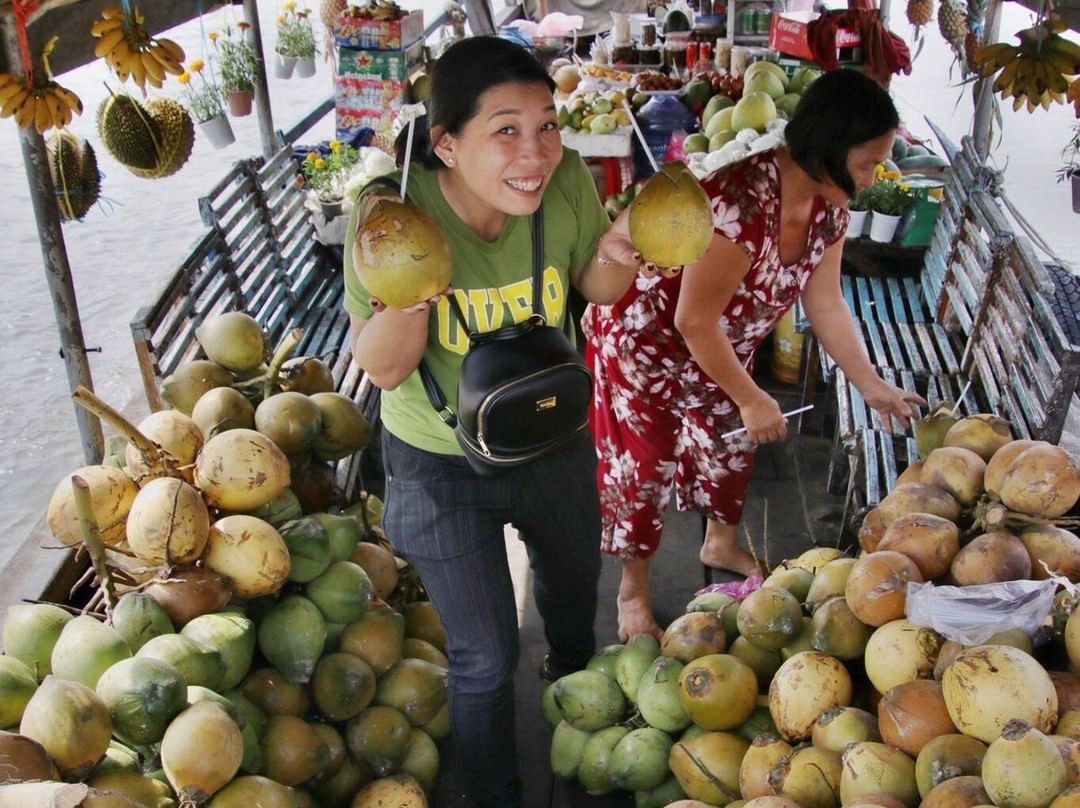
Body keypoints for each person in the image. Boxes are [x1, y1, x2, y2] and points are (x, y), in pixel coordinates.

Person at [342, 36, 652, 808]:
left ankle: (575, 685)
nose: (536, 151)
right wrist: (411, 294)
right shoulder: (390, 221)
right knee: (483, 657)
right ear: (446, 143)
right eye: (506, 129)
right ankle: (497, 794)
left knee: (574, 595)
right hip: (440, 464)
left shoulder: (570, 180)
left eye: (548, 124)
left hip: (550, 437)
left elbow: (599, 289)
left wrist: (618, 252)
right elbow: (382, 370)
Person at [583, 69, 928, 641]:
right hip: (646, 343)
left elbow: (827, 304)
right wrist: (752, 395)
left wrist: (872, 386)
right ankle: (632, 589)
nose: (872, 178)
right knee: (644, 468)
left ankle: (719, 539)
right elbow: (691, 319)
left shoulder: (829, 208)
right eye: (867, 163)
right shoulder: (740, 203)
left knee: (733, 440)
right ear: (827, 149)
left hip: (718, 345)